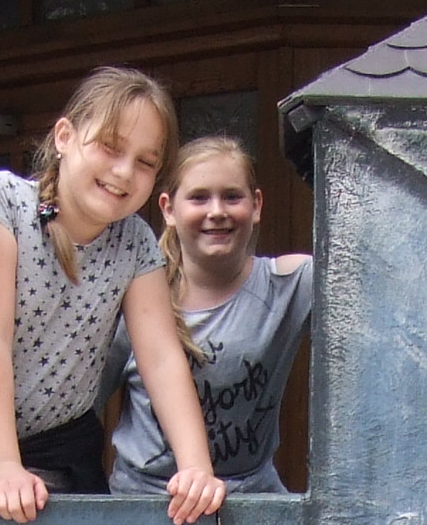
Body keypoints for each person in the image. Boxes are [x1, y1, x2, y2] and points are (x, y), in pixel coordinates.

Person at [0, 66, 226, 525]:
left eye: (145, 162)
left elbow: (161, 359)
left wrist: (197, 469)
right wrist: (5, 466)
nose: (123, 171)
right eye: (110, 147)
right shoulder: (3, 202)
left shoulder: (134, 241)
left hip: (67, 457)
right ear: (64, 137)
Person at [106, 135, 313, 500]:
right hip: (147, 499)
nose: (216, 210)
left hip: (252, 496)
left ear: (257, 205)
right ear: (168, 209)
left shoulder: (290, 285)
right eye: (199, 198)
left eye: (232, 197)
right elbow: (83, 402)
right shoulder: (137, 296)